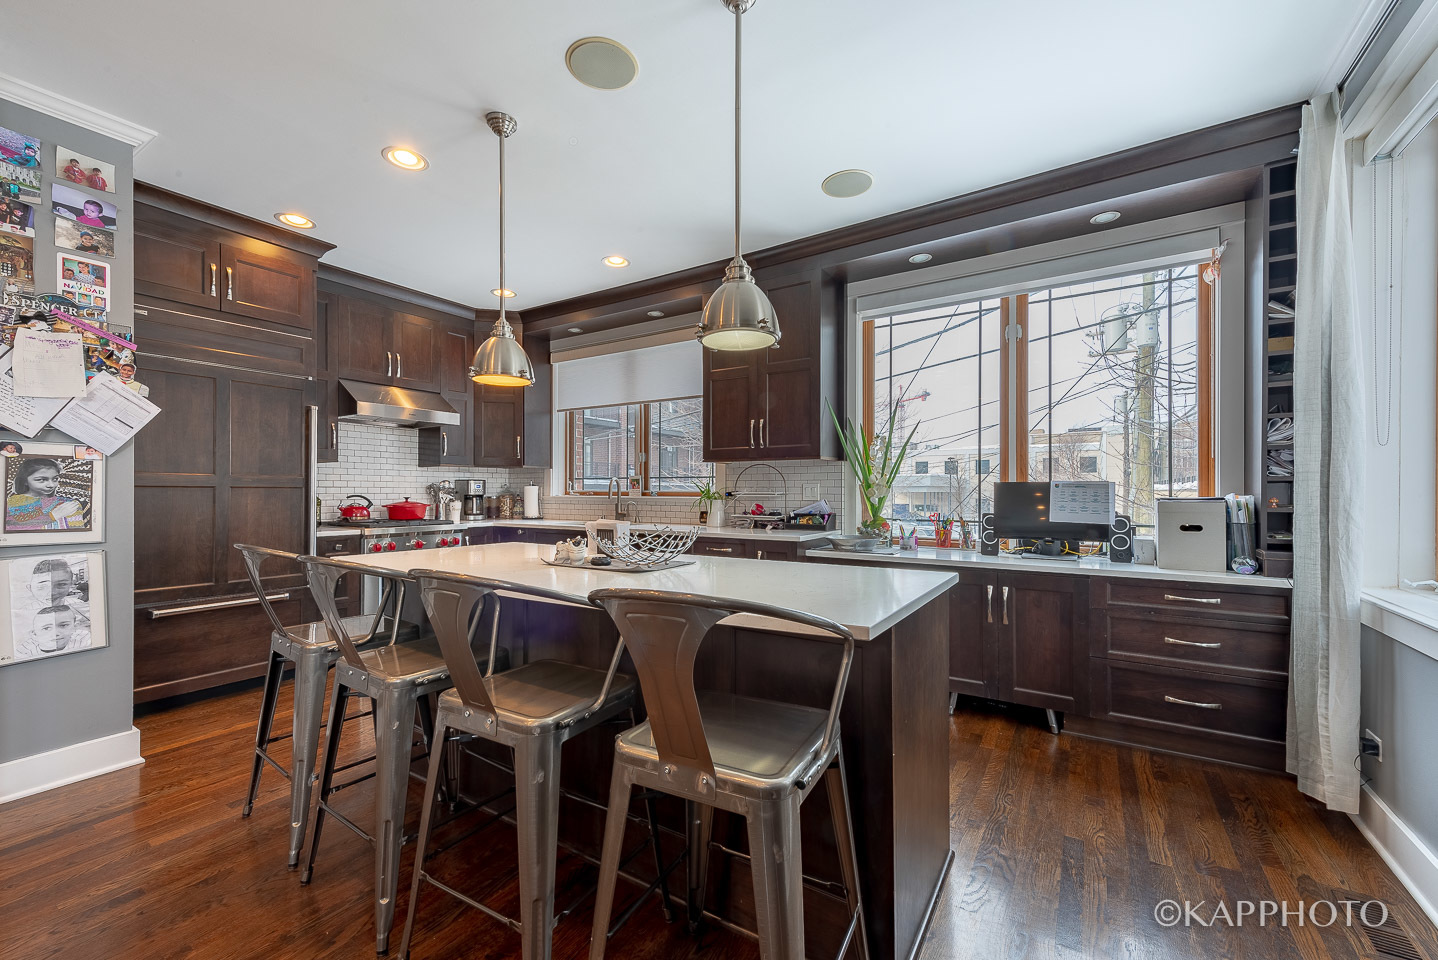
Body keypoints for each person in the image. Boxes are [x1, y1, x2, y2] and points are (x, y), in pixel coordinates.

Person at [5, 458, 85, 531]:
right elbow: (12, 528)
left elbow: (76, 533)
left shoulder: (68, 503)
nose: (51, 485)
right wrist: (52, 516)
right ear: (25, 481)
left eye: (55, 479)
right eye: (41, 480)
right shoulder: (12, 502)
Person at [13, 604, 90, 660]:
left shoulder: (85, 638)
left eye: (63, 625)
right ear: (34, 634)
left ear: (75, 627)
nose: (55, 633)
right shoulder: (23, 652)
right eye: (46, 628)